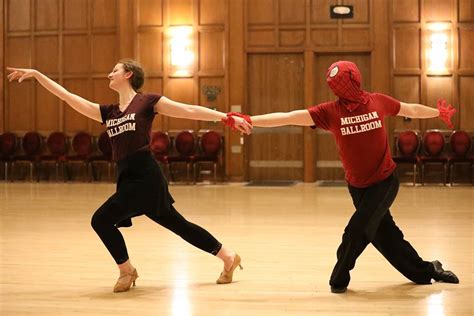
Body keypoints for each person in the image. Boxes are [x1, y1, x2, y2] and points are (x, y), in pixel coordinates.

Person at [6, 59, 249, 292]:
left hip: (145, 175)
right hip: (126, 176)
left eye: (115, 70)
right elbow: (68, 97)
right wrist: (38, 75)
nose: (109, 75)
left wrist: (225, 117)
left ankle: (126, 270)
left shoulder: (147, 102)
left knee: (100, 220)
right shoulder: (108, 112)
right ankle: (228, 256)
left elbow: (187, 110)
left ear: (128, 75)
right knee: (179, 225)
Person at [235, 60, 459, 293]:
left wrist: (437, 112)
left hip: (385, 181)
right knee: (387, 238)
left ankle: (339, 277)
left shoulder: (378, 101)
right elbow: (289, 116)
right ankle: (428, 271)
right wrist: (251, 120)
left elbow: (410, 109)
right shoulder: (329, 112)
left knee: (357, 230)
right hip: (358, 187)